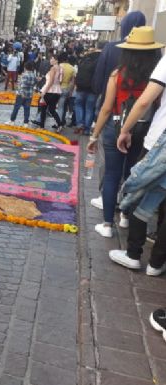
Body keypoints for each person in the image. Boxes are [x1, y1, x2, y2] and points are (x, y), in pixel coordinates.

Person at [87, 26, 162, 239]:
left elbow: (106, 108)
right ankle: (126, 216)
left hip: (116, 126)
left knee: (112, 175)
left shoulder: (118, 75)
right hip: (143, 129)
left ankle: (108, 224)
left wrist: (94, 135)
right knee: (132, 173)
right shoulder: (155, 77)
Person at [102, 29, 166, 276]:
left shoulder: (122, 73)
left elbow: (143, 102)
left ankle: (133, 253)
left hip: (158, 139)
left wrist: (124, 129)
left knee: (142, 192)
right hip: (152, 134)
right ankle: (157, 262)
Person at [73, 41, 102, 135]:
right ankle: (86, 129)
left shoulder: (86, 56)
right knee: (89, 108)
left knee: (78, 105)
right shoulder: (102, 58)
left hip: (81, 86)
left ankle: (80, 124)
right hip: (93, 88)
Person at [6, 61, 36, 127]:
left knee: (16, 107)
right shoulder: (33, 75)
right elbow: (34, 84)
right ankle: (26, 123)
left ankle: (12, 121)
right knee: (27, 108)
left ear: (25, 67)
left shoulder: (24, 75)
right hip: (29, 94)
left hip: (21, 94)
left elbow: (22, 85)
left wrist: (21, 92)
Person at [38, 54, 64, 131]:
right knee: (52, 110)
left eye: (52, 59)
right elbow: (60, 80)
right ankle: (59, 124)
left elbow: (51, 81)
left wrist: (44, 91)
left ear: (56, 60)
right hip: (57, 91)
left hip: (49, 91)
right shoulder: (61, 68)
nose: (50, 60)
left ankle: (42, 126)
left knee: (43, 109)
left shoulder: (53, 68)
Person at [56, 53, 75, 130]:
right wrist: (70, 91)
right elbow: (72, 81)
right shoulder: (72, 68)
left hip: (57, 88)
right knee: (62, 106)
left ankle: (59, 123)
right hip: (66, 88)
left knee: (58, 107)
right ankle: (61, 122)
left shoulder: (59, 66)